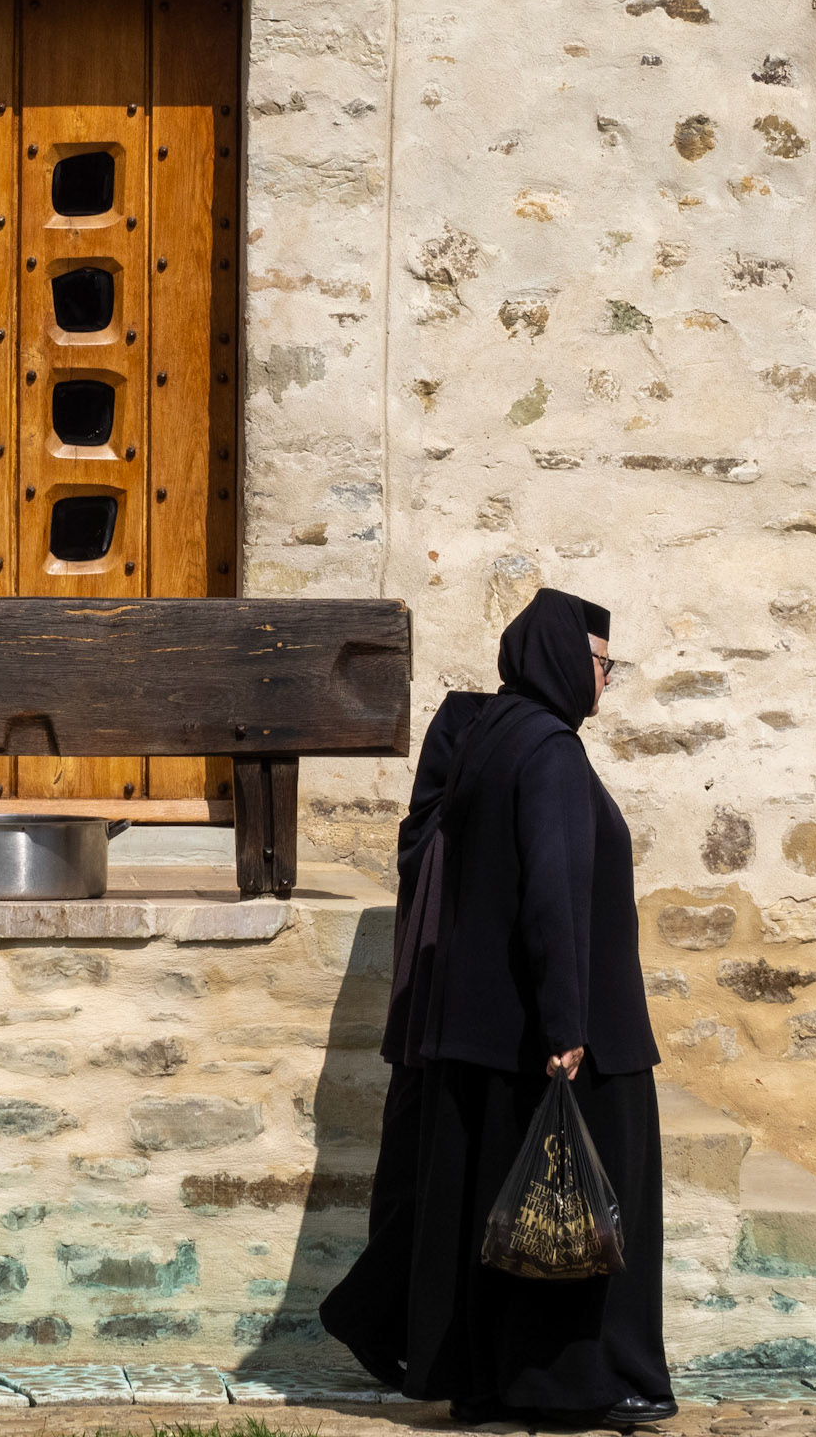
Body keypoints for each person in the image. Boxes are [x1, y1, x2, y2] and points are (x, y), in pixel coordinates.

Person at [320, 588, 675, 1430]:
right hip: (563, 1028)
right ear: (563, 657)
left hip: (488, 1029)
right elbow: (552, 893)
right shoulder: (548, 749)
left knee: (495, 1214)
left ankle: (491, 1381)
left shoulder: (488, 734)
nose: (607, 681)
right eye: (602, 664)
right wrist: (568, 1026)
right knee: (592, 1210)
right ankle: (591, 1381)